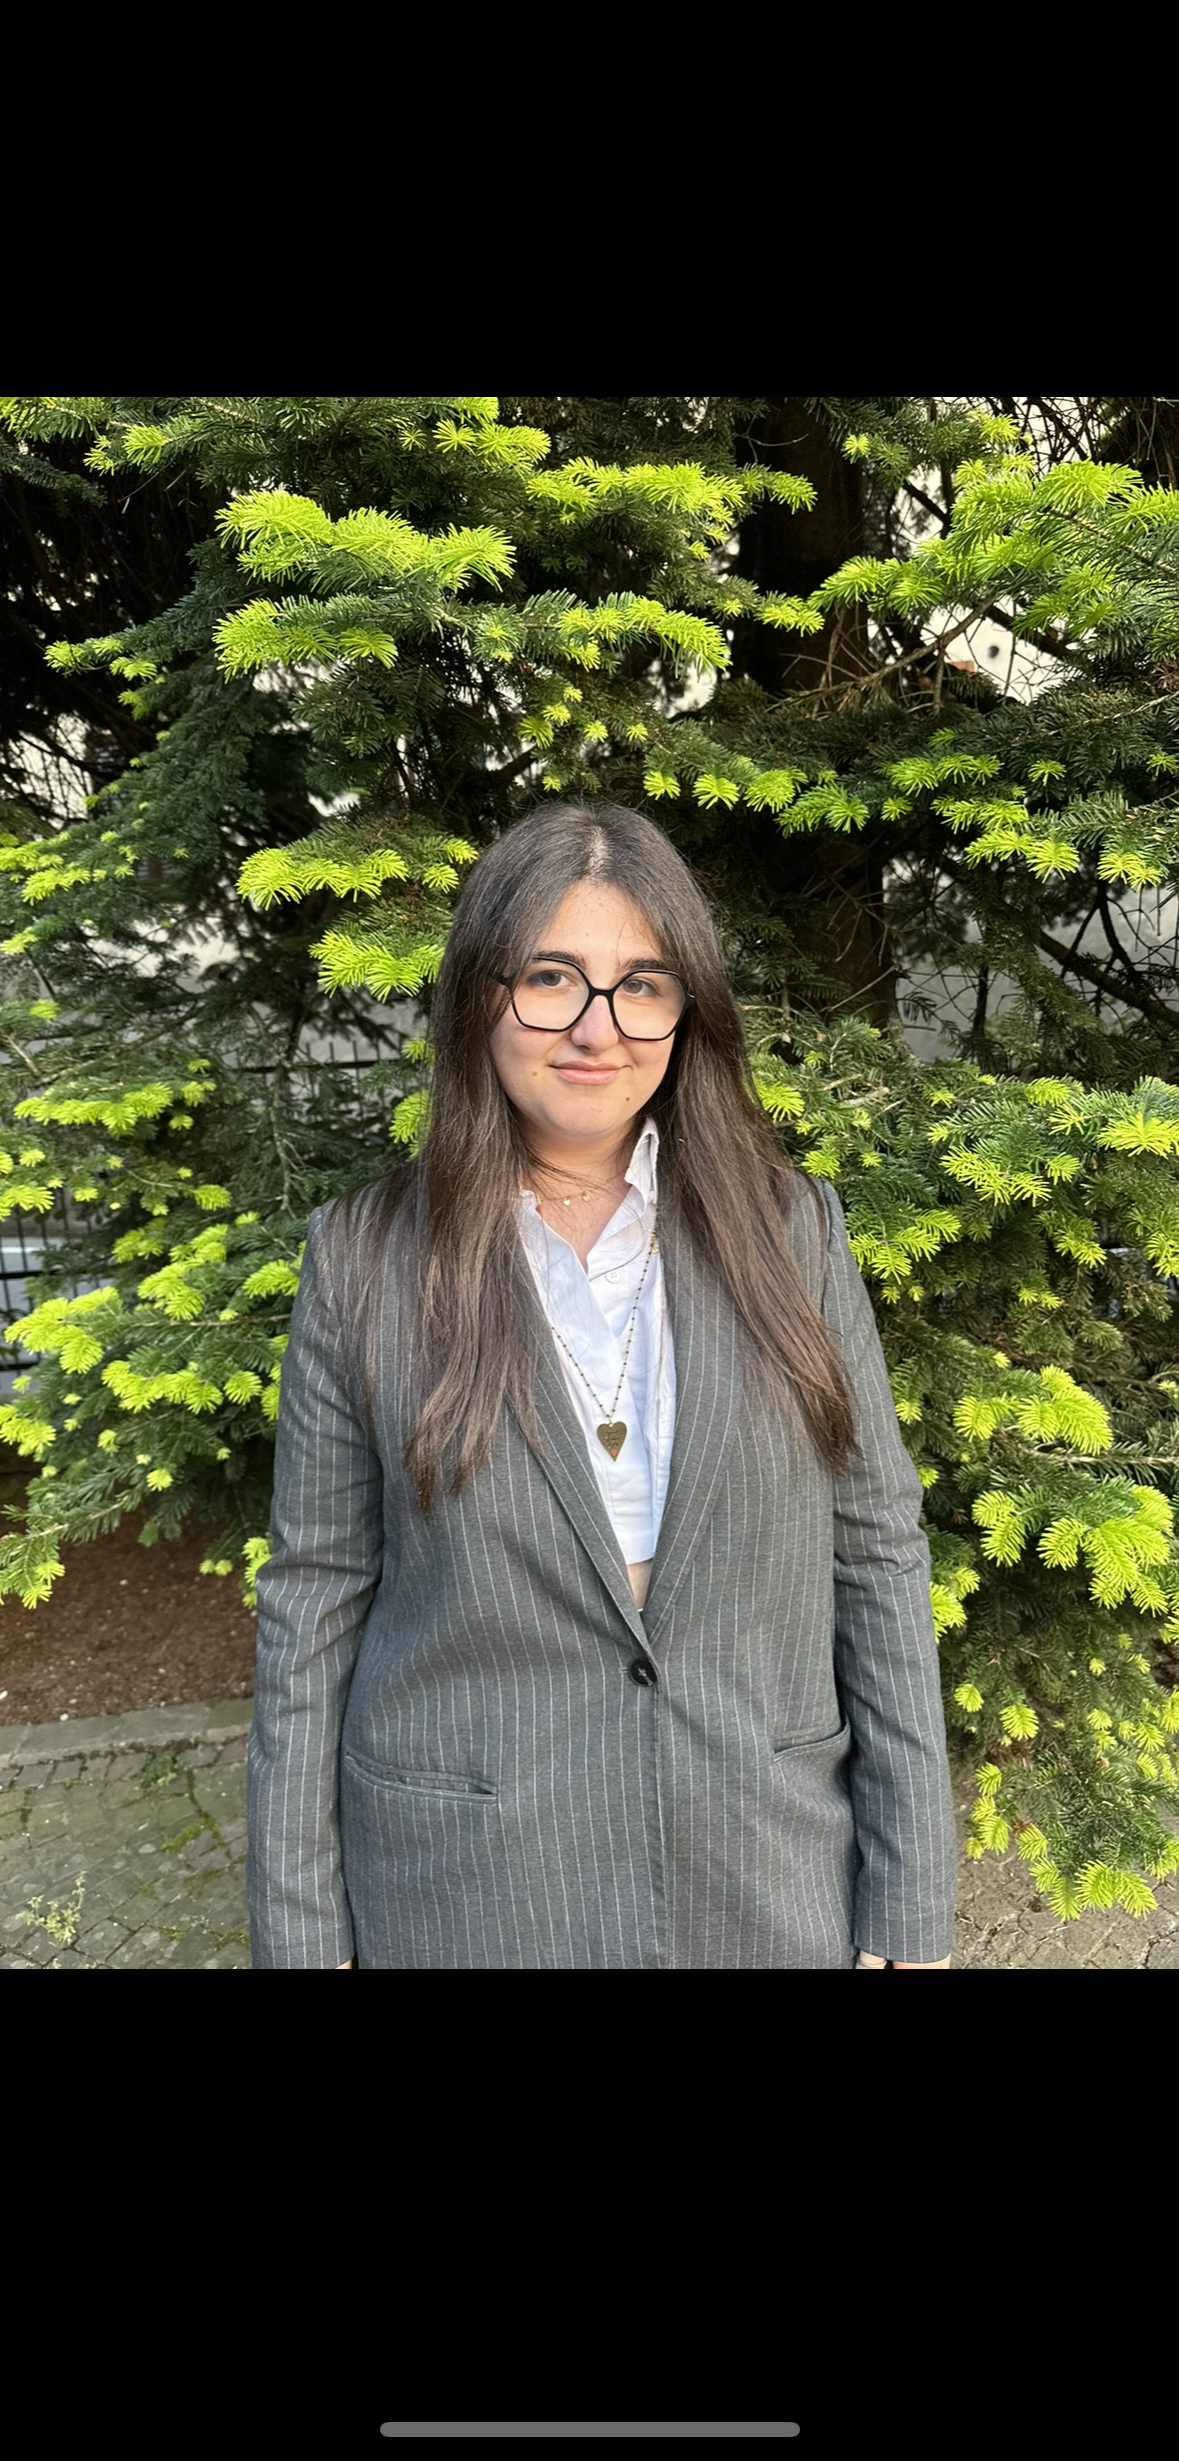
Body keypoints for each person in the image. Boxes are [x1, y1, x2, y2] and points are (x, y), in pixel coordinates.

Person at [246, 803, 956, 1969]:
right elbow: (312, 1603)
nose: (596, 1027)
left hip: (762, 1877)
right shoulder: (365, 1257)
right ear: (482, 992)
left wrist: (913, 1898)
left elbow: (875, 1549)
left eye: (642, 984)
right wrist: (301, 1932)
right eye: (551, 977)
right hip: (468, 1894)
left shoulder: (793, 1231)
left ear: (687, 1011)